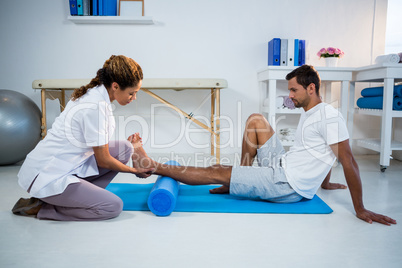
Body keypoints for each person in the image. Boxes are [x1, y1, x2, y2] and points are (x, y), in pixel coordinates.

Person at [132, 65, 396, 226]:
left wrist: (360, 208)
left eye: (294, 90)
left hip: (285, 182)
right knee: (256, 120)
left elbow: (347, 159)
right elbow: (323, 152)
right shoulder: (312, 112)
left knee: (215, 169)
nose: (290, 96)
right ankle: (240, 179)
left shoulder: (328, 116)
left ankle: (151, 166)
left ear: (311, 88)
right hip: (283, 163)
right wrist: (324, 183)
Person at [12, 55, 154, 221]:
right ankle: (45, 208)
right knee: (112, 206)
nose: (134, 98)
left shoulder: (98, 94)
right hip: (47, 176)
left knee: (125, 149)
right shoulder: (95, 106)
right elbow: (103, 160)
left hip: (66, 165)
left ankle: (75, 199)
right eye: (132, 93)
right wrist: (133, 171)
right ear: (115, 86)